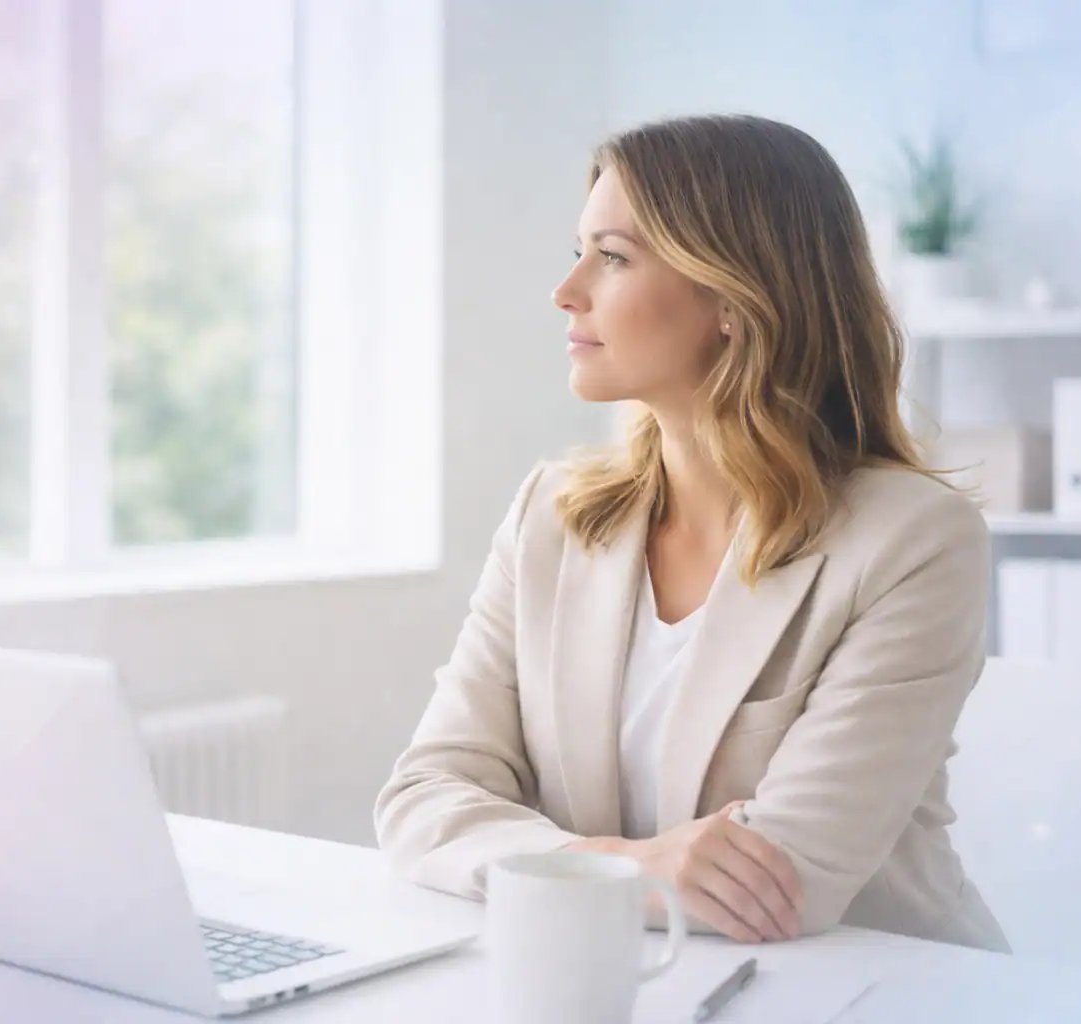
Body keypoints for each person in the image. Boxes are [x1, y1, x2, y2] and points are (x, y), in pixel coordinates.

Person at [373, 114, 1009, 952]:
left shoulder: (914, 541)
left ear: (736, 298)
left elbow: (788, 883)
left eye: (613, 257)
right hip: (631, 980)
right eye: (579, 251)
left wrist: (541, 859)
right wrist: (626, 867)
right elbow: (426, 794)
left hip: (869, 990)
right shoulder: (552, 516)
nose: (566, 293)